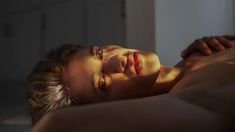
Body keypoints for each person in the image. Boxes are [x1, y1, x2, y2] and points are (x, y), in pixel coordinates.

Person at [26, 35, 235, 125]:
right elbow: (57, 126)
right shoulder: (194, 99)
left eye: (99, 54)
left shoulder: (197, 53)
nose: (117, 62)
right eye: (102, 84)